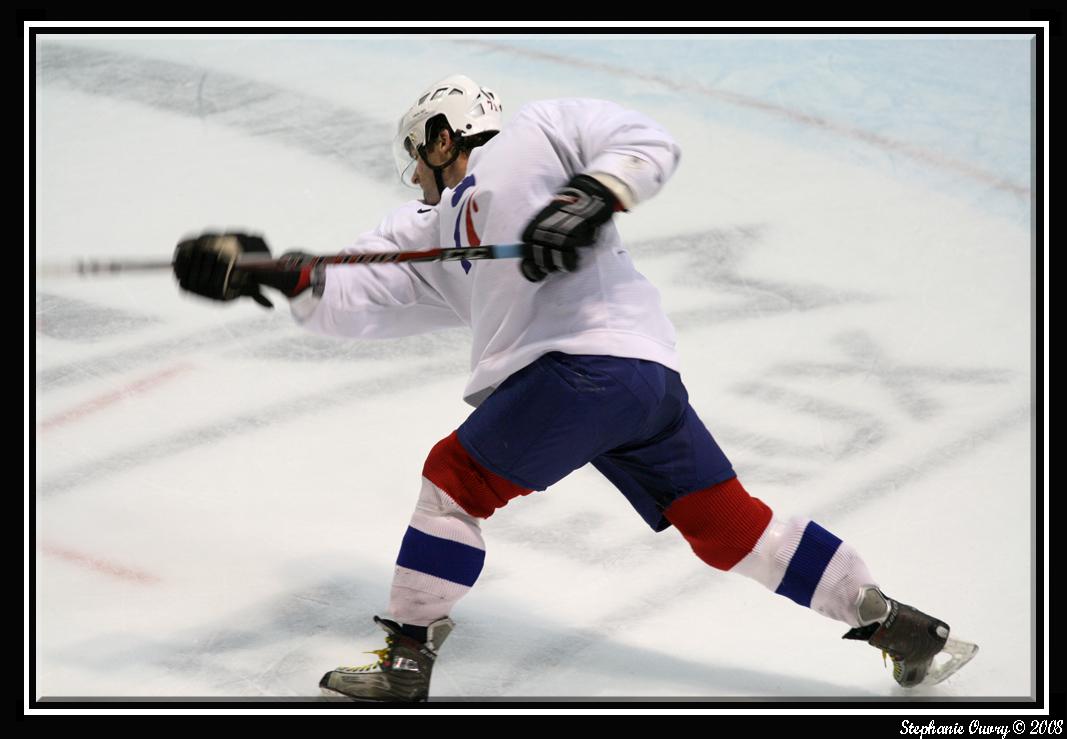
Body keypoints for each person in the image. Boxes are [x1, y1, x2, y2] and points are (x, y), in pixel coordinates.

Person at [172, 74, 977, 702]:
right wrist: (273, 272)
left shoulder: (537, 133)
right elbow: (351, 301)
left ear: (445, 135)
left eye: (418, 154)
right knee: (730, 527)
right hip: (642, 384)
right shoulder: (422, 234)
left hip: (582, 371)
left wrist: (593, 195)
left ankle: (407, 658)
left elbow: (643, 140)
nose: (414, 174)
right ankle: (903, 629)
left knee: (453, 483)